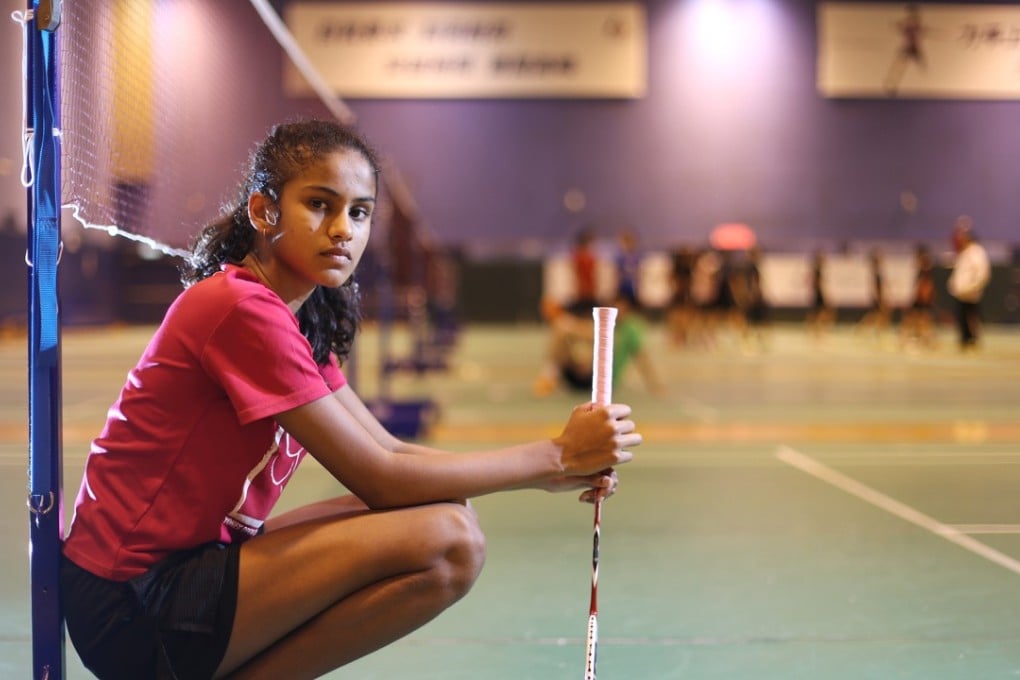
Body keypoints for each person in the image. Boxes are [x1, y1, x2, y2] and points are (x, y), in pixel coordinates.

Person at [60, 120, 642, 680]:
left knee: (449, 518)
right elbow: (380, 478)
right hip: (132, 601)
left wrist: (559, 468)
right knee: (449, 541)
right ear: (264, 212)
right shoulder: (240, 308)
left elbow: (388, 448)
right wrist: (556, 456)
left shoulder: (296, 316)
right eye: (320, 205)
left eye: (359, 213)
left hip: (191, 569)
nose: (344, 229)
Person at [533, 290, 664, 398]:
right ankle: (549, 376)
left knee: (563, 329)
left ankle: (548, 376)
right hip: (590, 373)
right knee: (563, 332)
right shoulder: (609, 325)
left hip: (600, 381)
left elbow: (641, 357)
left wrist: (654, 384)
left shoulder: (629, 328)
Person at [947, 216, 991, 349]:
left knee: (971, 316)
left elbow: (982, 274)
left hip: (970, 293)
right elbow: (959, 273)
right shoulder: (964, 253)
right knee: (962, 317)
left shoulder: (977, 252)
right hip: (961, 293)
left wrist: (972, 287)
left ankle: (973, 340)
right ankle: (965, 340)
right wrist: (953, 285)